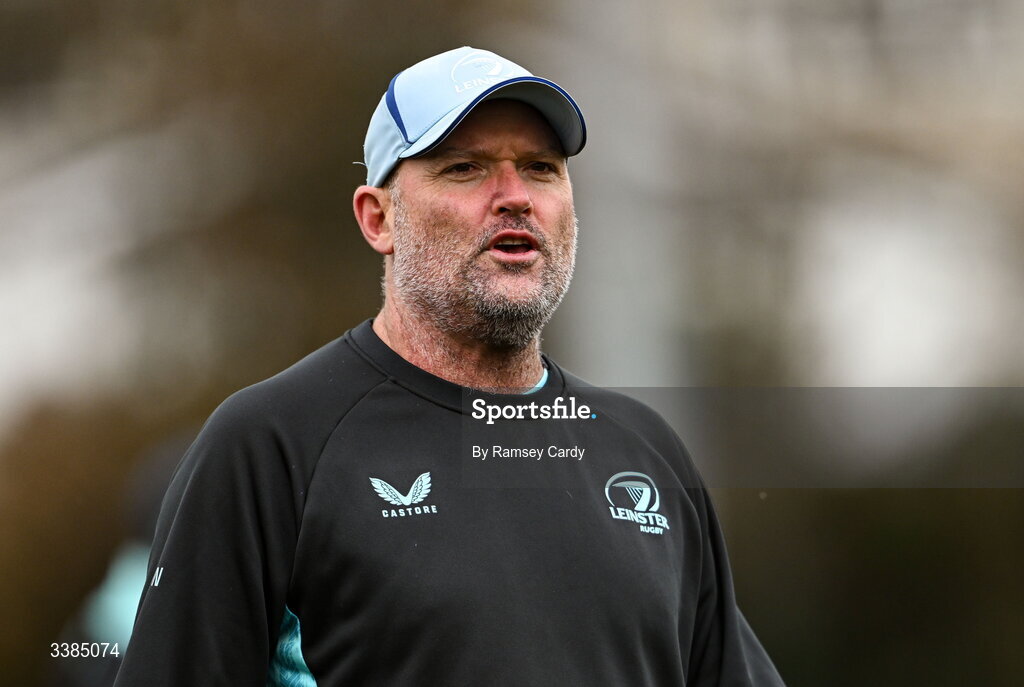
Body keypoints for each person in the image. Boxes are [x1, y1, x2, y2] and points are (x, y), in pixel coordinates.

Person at [114, 46, 785, 686]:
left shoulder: (645, 449)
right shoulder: (272, 444)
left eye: (541, 167)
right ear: (378, 218)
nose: (514, 195)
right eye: (464, 167)